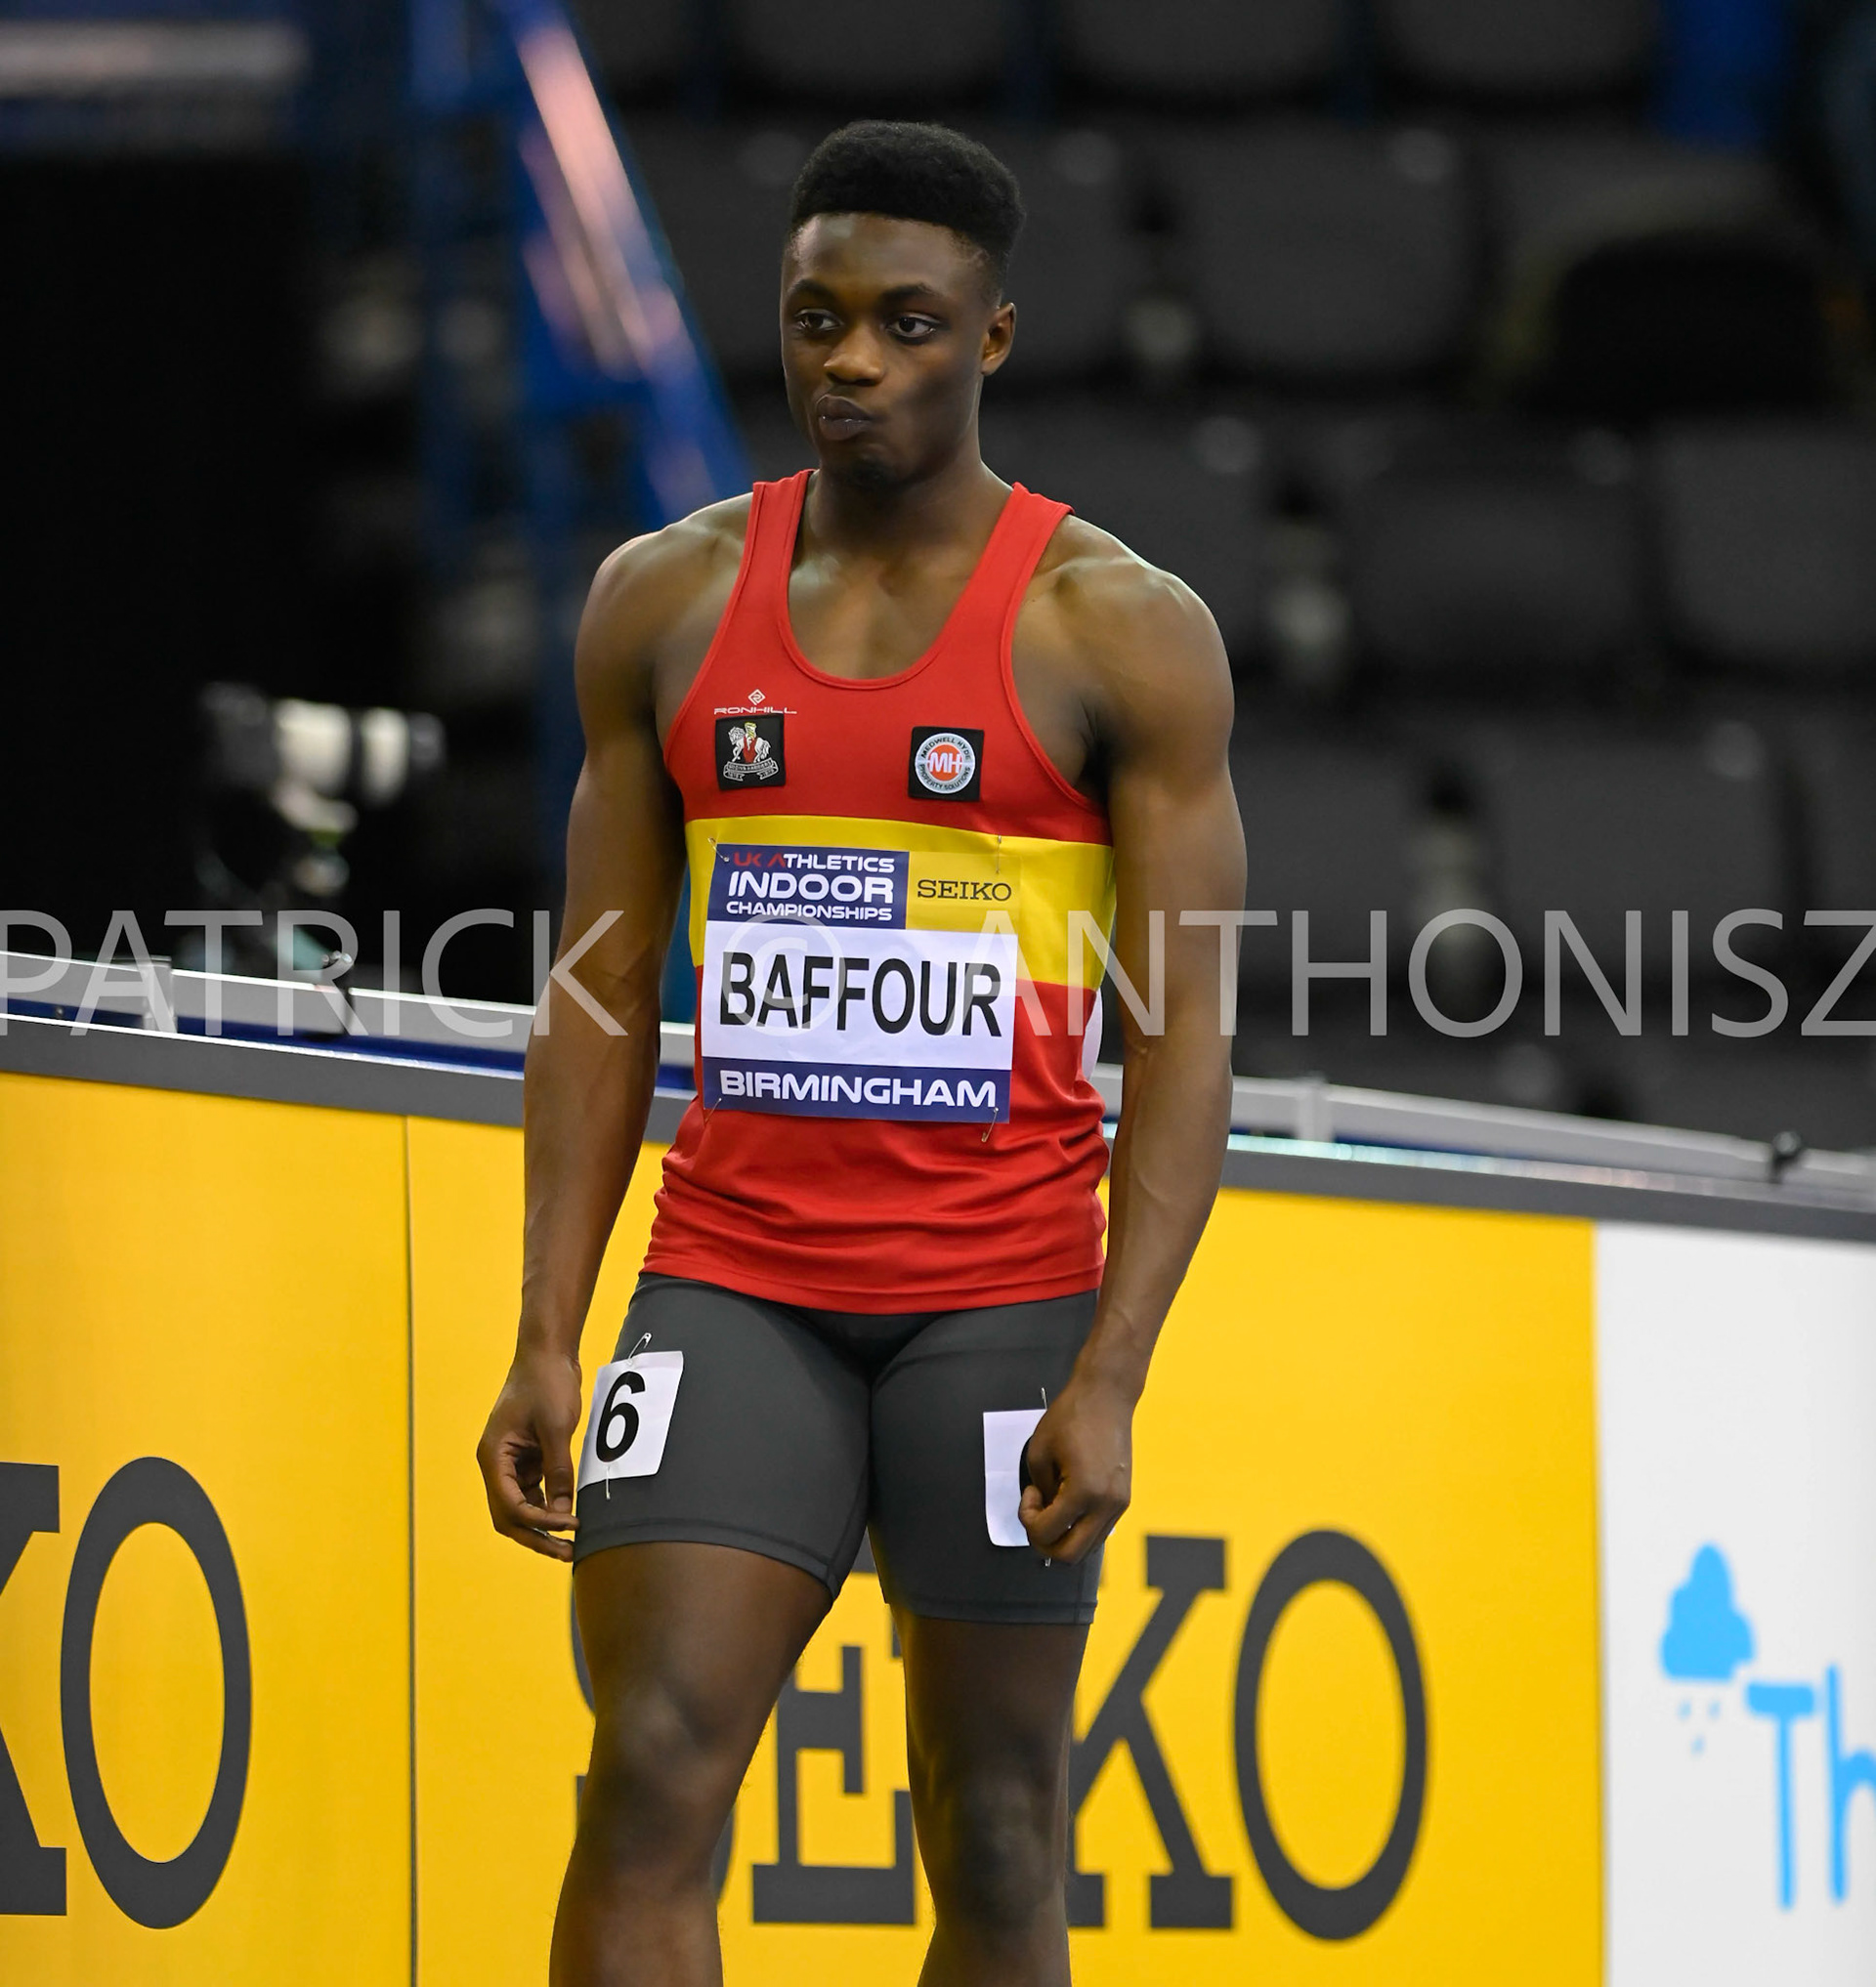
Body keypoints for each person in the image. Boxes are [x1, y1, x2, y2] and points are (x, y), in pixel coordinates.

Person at [476, 120, 1245, 1987]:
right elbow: (597, 998)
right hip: (735, 1282)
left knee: (992, 1833)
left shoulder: (1121, 635)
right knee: (650, 1764)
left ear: (991, 337)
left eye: (905, 324)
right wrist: (547, 1327)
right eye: (817, 319)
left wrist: (1116, 1367)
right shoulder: (665, 602)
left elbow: (1186, 1037)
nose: (849, 362)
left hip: (1000, 1300)